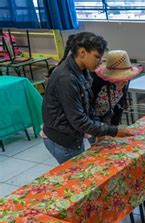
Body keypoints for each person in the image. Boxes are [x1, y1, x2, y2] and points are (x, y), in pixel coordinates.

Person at [42, 32, 133, 164]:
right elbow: (79, 120)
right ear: (82, 52)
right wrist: (112, 131)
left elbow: (89, 107)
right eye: (97, 57)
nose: (99, 62)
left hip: (73, 134)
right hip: (63, 139)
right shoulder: (66, 79)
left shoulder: (83, 72)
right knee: (77, 177)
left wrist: (102, 130)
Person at [92, 50, 142, 126]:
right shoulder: (96, 81)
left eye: (126, 77)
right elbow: (87, 107)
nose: (125, 81)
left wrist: (114, 127)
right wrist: (97, 130)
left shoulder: (125, 81)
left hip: (107, 114)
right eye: (122, 78)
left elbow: (119, 105)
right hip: (91, 119)